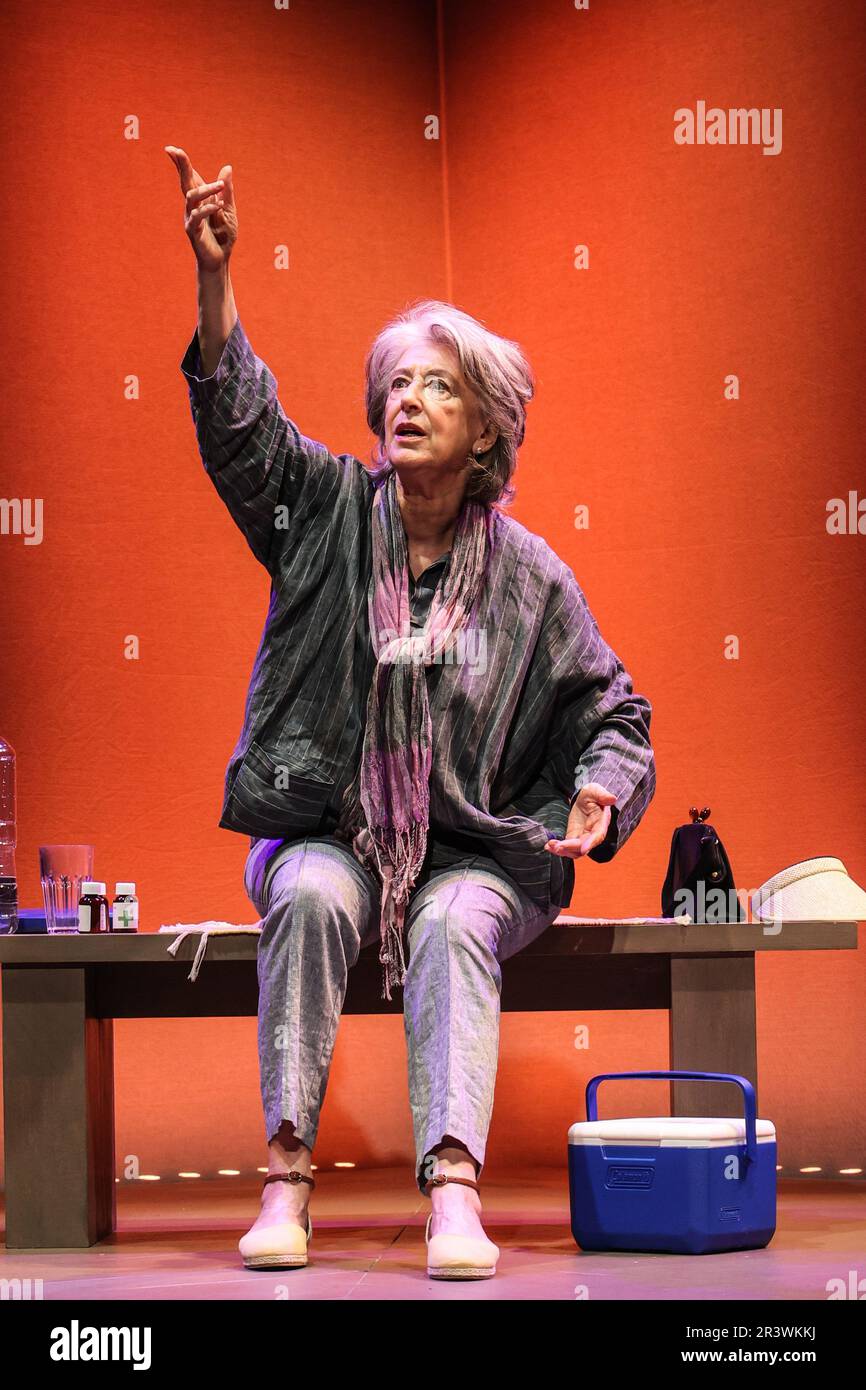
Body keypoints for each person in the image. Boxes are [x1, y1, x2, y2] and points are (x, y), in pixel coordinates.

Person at [166, 145, 657, 1280]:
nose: (407, 400)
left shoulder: (530, 575)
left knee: (447, 919)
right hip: (334, 827)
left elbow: (612, 710)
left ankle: (451, 1194)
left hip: (480, 848)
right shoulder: (326, 512)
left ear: (485, 429)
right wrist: (214, 277)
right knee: (305, 885)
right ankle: (285, 1176)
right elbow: (242, 433)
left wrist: (598, 787)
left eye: (437, 386)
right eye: (395, 382)